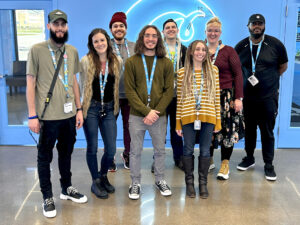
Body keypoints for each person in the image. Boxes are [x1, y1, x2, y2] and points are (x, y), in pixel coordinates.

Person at [26, 9, 87, 218]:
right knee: (44, 157)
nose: (59, 28)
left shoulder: (72, 50)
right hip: (47, 117)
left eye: (63, 24)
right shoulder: (37, 50)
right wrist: (32, 115)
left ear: (67, 27)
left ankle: (66, 187)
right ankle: (47, 196)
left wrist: (79, 109)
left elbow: (74, 82)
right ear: (48, 26)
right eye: (55, 24)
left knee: (66, 154)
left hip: (69, 116)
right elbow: (30, 83)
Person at [235, 14, 288, 181]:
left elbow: (283, 66)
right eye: (254, 24)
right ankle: (249, 158)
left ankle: (268, 164)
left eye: (260, 23)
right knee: (249, 131)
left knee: (267, 132)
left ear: (264, 26)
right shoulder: (241, 46)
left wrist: (268, 81)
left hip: (268, 98)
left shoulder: (275, 45)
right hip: (248, 99)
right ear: (248, 25)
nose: (257, 26)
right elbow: (237, 71)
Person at [124, 25, 174, 200]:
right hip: (137, 115)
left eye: (154, 36)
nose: (151, 39)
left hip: (159, 117)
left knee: (160, 150)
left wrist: (156, 112)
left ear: (158, 39)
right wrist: (147, 111)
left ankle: (160, 180)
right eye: (147, 36)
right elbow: (130, 91)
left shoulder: (166, 62)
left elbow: (169, 91)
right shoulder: (131, 62)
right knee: (135, 151)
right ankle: (135, 183)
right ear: (141, 38)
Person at [176, 40, 221, 198]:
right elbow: (179, 99)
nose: (200, 52)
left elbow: (217, 97)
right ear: (191, 52)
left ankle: (203, 183)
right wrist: (177, 123)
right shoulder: (182, 72)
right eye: (197, 49)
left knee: (205, 150)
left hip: (208, 116)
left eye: (203, 49)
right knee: (187, 149)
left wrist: (218, 120)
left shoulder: (213, 71)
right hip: (187, 117)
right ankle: (189, 183)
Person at [79, 28, 121, 199]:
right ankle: (95, 181)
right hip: (91, 109)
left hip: (110, 108)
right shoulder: (86, 61)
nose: (100, 44)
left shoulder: (117, 61)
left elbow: (115, 86)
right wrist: (80, 109)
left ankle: (103, 175)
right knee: (93, 147)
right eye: (96, 41)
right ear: (92, 44)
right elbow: (83, 85)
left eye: (102, 40)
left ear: (108, 41)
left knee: (111, 149)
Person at [205, 17, 244, 180]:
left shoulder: (229, 51)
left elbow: (238, 74)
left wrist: (238, 98)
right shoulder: (201, 50)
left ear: (220, 33)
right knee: (208, 131)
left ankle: (225, 164)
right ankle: (210, 160)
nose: (212, 33)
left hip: (226, 98)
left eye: (216, 31)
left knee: (227, 131)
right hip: (207, 97)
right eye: (210, 30)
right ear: (205, 32)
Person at [108, 12, 135, 171]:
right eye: (115, 26)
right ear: (111, 29)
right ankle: (109, 156)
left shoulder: (134, 46)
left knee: (129, 127)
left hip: (130, 95)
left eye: (121, 26)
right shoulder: (105, 45)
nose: (119, 28)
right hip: (111, 96)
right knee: (109, 128)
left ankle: (128, 154)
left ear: (126, 28)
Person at [161, 18, 187, 170]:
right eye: (167, 27)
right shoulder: (158, 50)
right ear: (163, 32)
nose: (171, 29)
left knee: (177, 129)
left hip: (179, 95)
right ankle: (156, 159)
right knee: (160, 130)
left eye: (173, 27)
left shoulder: (184, 49)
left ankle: (179, 158)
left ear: (177, 30)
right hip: (162, 95)